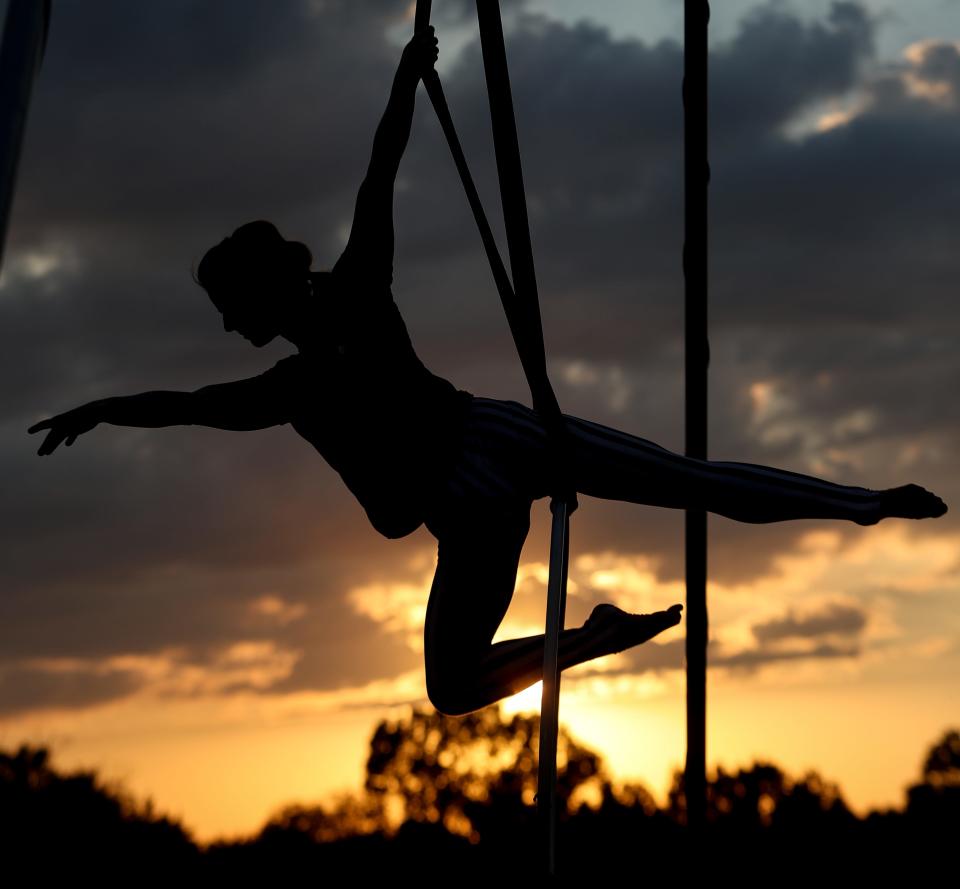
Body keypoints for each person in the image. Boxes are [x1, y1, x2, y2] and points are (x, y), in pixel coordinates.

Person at [28, 28, 947, 717]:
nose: (229, 327)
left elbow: (377, 173)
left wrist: (407, 78)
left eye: (232, 309)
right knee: (452, 688)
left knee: (683, 479)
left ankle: (860, 499)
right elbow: (182, 406)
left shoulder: (351, 296)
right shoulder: (289, 390)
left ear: (264, 292)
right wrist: (104, 407)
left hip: (488, 443)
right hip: (467, 511)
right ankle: (588, 637)